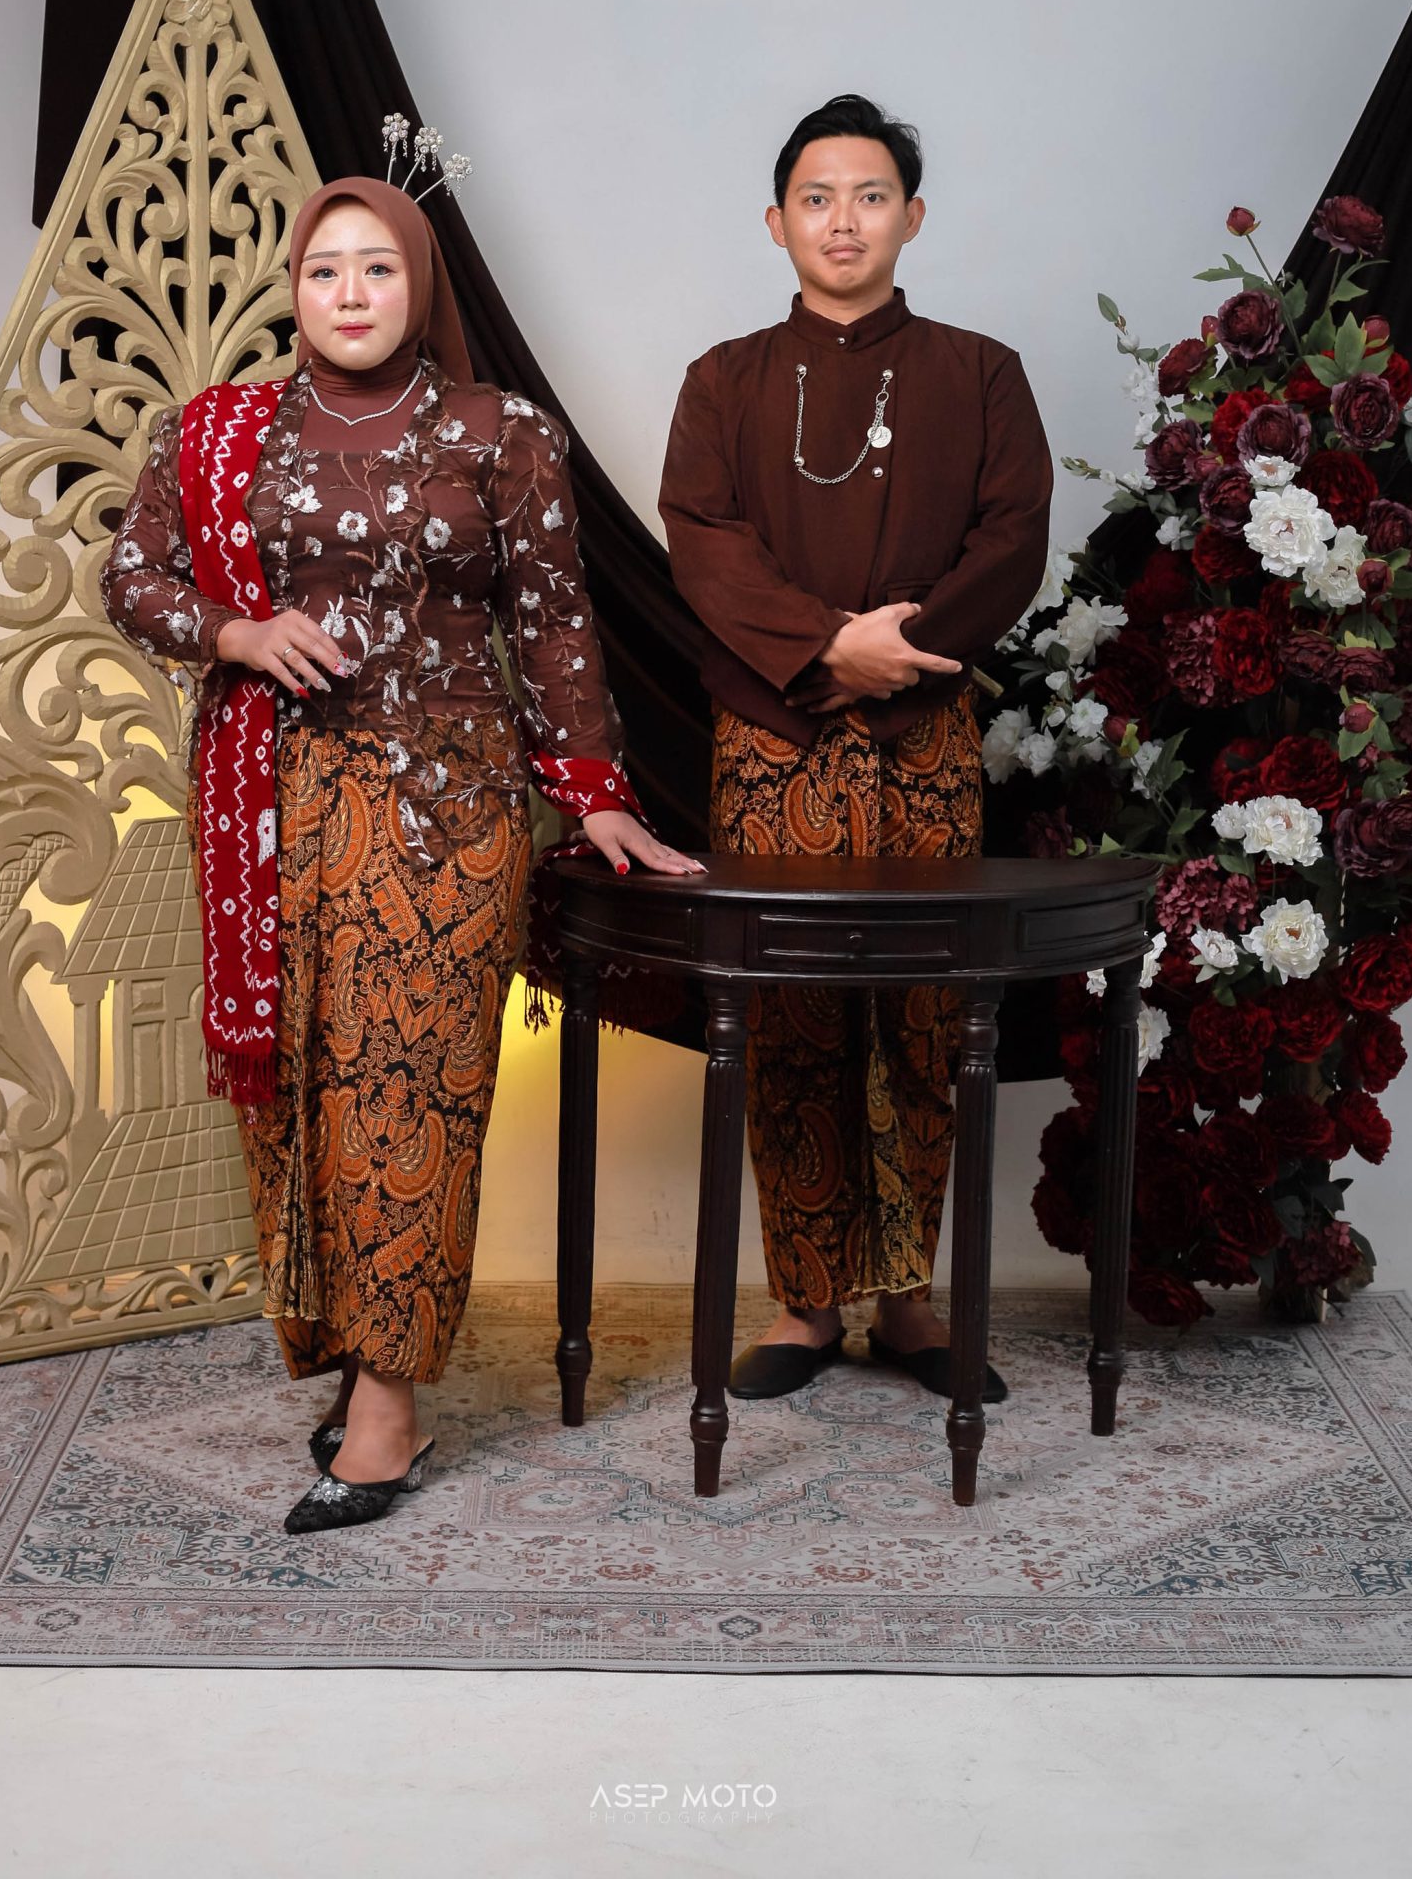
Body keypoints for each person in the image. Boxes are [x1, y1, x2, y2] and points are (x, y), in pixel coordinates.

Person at [101, 170, 699, 1534]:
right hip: (270, 810)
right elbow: (130, 576)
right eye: (325, 271)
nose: (351, 293)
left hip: (445, 816)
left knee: (409, 1090)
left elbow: (554, 620)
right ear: (295, 291)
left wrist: (592, 791)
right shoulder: (220, 430)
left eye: (377, 268)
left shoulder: (501, 433)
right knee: (307, 1094)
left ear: (420, 286)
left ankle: (387, 1403)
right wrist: (237, 633)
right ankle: (343, 1351)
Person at [658, 94, 1052, 1402]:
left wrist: (901, 653)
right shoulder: (721, 380)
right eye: (816, 198)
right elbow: (701, 541)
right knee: (791, 1019)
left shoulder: (978, 372)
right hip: (773, 741)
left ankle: (910, 1305)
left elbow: (1013, 538)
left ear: (912, 218)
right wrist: (829, 646)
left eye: (870, 196)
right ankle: (806, 1306)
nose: (843, 220)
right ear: (776, 223)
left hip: (925, 740)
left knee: (927, 1018)